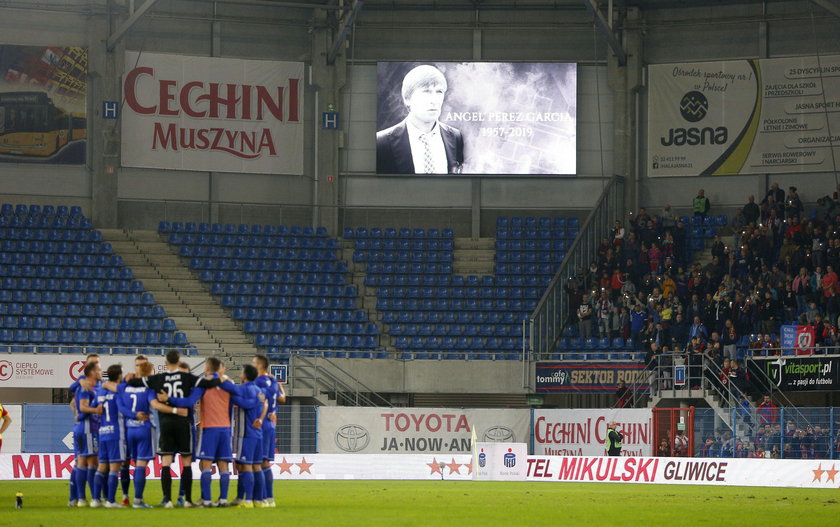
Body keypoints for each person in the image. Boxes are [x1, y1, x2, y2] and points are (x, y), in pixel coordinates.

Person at [126, 350, 220, 508]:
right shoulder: (187, 377)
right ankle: (188, 500)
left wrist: (129, 379)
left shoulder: (158, 379)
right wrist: (214, 378)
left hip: (166, 423)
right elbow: (209, 384)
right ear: (179, 362)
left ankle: (167, 500)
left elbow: (136, 383)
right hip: (183, 423)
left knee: (166, 462)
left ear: (165, 363)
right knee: (187, 462)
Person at [160, 357, 235, 508]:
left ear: (207, 368)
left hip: (209, 428)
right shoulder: (228, 384)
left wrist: (170, 399)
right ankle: (223, 499)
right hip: (226, 428)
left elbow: (188, 402)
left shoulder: (203, 384)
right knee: (223, 465)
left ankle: (206, 500)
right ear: (220, 369)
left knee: (206, 464)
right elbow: (238, 399)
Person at [376, 65, 464, 174]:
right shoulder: (381, 143)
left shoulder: (455, 137)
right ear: (407, 98)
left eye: (439, 92)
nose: (434, 100)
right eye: (426, 92)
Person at [229, 365, 268, 508]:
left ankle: (247, 500)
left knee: (245, 466)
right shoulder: (260, 391)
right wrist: (262, 418)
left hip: (246, 434)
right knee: (257, 466)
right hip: (258, 433)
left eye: (241, 371)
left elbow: (242, 402)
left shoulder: (244, 389)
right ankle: (259, 500)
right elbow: (266, 404)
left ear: (244, 375)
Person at [253, 355, 285, 508]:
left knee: (258, 462)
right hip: (270, 424)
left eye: (254, 363)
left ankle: (260, 498)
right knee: (265, 463)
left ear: (260, 365)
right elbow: (282, 399)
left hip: (262, 422)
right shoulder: (272, 381)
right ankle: (269, 497)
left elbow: (259, 399)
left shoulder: (258, 381)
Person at [73, 361, 103, 507]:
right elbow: (83, 407)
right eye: (99, 369)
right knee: (92, 462)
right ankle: (94, 499)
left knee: (83, 461)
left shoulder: (92, 386)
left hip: (86, 427)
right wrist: (96, 410)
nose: (101, 371)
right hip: (87, 428)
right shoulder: (86, 388)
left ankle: (82, 499)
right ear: (92, 372)